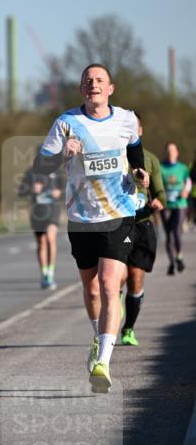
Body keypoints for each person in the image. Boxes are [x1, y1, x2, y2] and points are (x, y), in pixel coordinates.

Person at [33, 64, 148, 393]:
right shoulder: (67, 123)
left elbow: (136, 150)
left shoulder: (125, 119)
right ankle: (99, 339)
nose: (93, 85)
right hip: (82, 219)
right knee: (93, 288)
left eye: (99, 81)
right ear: (81, 89)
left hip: (119, 213)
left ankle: (104, 361)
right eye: (87, 81)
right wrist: (62, 154)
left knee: (111, 284)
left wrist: (140, 172)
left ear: (110, 88)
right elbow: (41, 167)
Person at [119, 112, 166, 346]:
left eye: (134, 127)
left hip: (143, 224)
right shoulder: (115, 155)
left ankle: (128, 328)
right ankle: (112, 313)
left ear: (140, 131)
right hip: (119, 225)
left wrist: (158, 201)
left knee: (135, 279)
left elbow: (161, 194)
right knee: (118, 277)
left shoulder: (150, 160)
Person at [19, 150, 64, 289]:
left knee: (51, 239)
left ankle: (50, 272)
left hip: (53, 210)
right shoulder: (30, 173)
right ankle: (44, 274)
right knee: (41, 243)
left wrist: (60, 192)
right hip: (37, 212)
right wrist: (31, 188)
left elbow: (70, 189)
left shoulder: (58, 173)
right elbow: (21, 192)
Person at [160, 142, 191, 274]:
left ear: (177, 153)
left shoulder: (183, 168)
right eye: (168, 150)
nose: (170, 152)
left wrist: (186, 191)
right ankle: (172, 262)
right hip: (166, 204)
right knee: (168, 234)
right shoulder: (161, 168)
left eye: (173, 150)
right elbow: (157, 184)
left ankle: (179, 255)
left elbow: (188, 182)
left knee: (176, 231)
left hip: (180, 204)